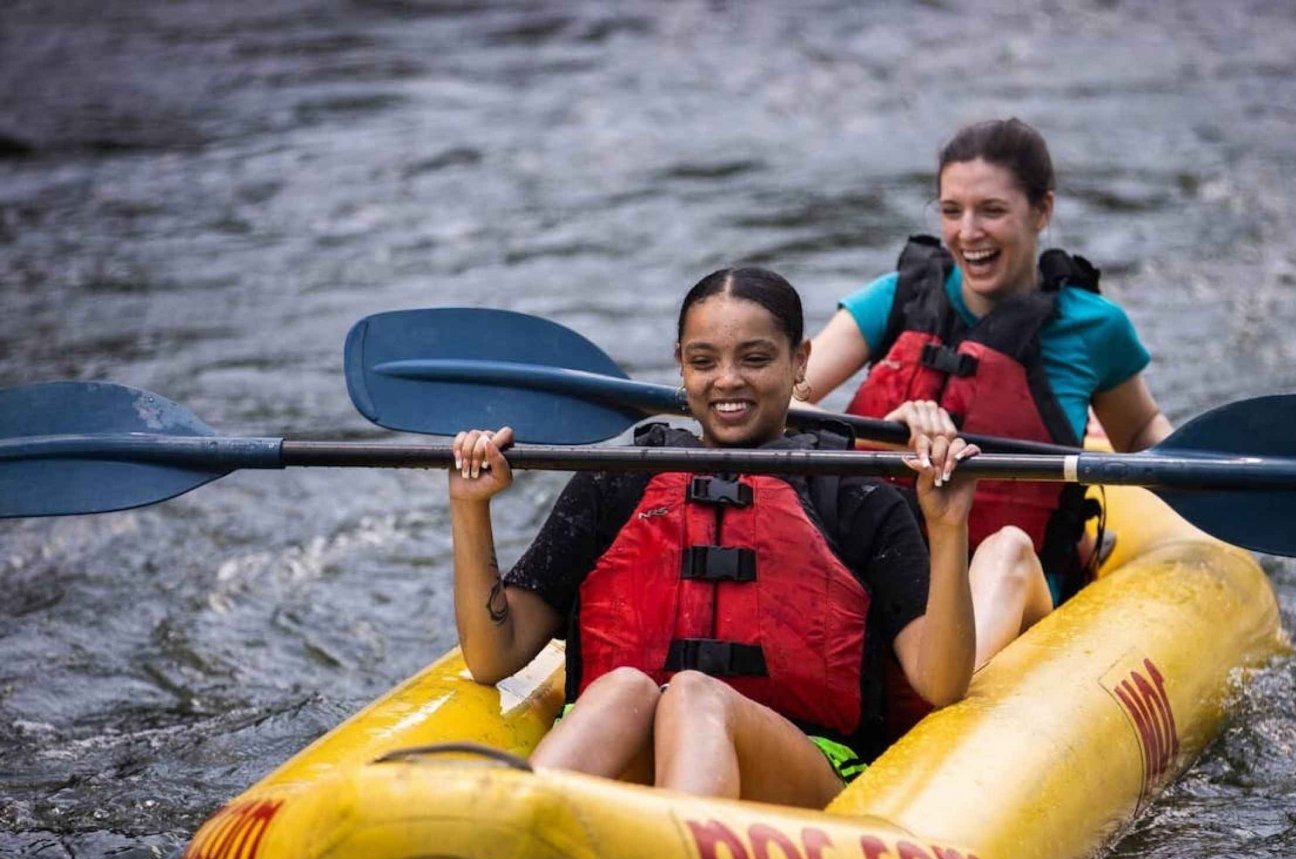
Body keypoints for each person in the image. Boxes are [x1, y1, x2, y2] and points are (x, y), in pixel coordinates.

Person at [447, 267, 1008, 810]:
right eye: (703, 361)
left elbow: (940, 683)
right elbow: (495, 656)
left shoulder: (856, 496)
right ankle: (518, 819)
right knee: (623, 687)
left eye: (755, 359)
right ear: (681, 368)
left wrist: (948, 525)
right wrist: (470, 506)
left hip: (802, 766)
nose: (727, 381)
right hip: (631, 749)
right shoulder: (616, 482)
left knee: (694, 693)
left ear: (800, 362)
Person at [801, 117, 1172, 607]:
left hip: (1012, 586)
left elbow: (1140, 431)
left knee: (1007, 551)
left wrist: (1207, 476)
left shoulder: (1095, 327)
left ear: (1042, 211)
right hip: (885, 571)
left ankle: (958, 680)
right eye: (952, 211)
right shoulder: (895, 299)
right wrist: (879, 431)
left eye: (991, 210)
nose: (968, 232)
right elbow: (783, 405)